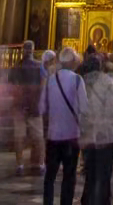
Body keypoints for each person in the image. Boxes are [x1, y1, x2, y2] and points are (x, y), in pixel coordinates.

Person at [78, 53, 113, 205]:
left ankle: (87, 200)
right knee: (104, 173)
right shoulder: (108, 82)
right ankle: (103, 201)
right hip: (105, 133)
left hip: (87, 133)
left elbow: (79, 109)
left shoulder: (81, 81)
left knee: (90, 171)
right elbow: (111, 110)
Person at [41, 47, 87, 205]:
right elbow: (84, 108)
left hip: (53, 135)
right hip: (71, 136)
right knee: (69, 176)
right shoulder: (77, 80)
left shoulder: (50, 80)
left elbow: (42, 107)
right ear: (73, 62)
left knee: (50, 176)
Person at [10, 41, 47, 175]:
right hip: (34, 106)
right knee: (38, 137)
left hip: (20, 106)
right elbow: (43, 85)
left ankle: (20, 165)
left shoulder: (16, 67)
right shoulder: (39, 66)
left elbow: (13, 87)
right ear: (33, 50)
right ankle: (40, 164)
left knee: (19, 136)